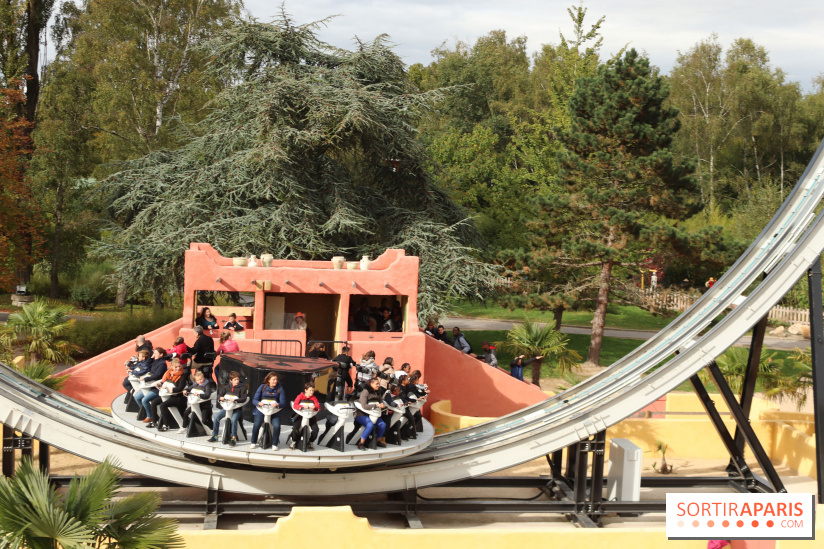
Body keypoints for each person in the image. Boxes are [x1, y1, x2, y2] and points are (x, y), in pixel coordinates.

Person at [207, 371, 248, 446]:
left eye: (238, 379)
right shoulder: (226, 388)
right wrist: (220, 398)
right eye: (235, 380)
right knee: (216, 417)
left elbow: (244, 398)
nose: (237, 381)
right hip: (227, 408)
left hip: (236, 409)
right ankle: (215, 435)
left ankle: (233, 437)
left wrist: (236, 400)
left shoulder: (242, 388)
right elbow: (219, 395)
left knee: (233, 419)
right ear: (231, 380)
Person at [251, 372, 287, 449]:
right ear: (268, 380)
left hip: (274, 411)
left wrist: (277, 404)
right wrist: (258, 403)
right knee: (256, 424)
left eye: (276, 379)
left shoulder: (280, 388)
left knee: (277, 426)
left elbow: (283, 403)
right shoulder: (262, 387)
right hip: (261, 410)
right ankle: (253, 442)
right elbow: (254, 400)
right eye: (273, 379)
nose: (275, 381)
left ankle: (274, 443)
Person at [152, 358, 188, 431]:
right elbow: (164, 382)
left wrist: (169, 389)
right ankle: (154, 421)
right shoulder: (169, 373)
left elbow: (180, 388)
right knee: (154, 402)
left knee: (163, 405)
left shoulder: (182, 376)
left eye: (179, 366)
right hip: (168, 395)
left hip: (178, 397)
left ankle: (166, 425)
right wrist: (159, 384)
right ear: (172, 367)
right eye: (176, 367)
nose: (178, 368)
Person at [137, 348, 168, 422]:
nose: (154, 355)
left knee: (145, 400)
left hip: (156, 386)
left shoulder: (162, 364)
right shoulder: (155, 361)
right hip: (149, 384)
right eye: (154, 353)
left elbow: (157, 375)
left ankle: (150, 416)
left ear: (161, 354)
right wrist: (151, 358)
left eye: (156, 353)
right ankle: (145, 412)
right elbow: (147, 366)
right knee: (137, 397)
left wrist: (145, 379)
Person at [354, 377, 387, 450]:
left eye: (379, 384)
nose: (378, 385)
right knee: (370, 425)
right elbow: (364, 406)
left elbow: (381, 401)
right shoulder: (366, 391)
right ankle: (361, 443)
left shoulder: (378, 392)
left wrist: (382, 405)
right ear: (371, 384)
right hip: (361, 414)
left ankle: (376, 441)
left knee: (382, 425)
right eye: (376, 384)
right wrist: (376, 405)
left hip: (373, 414)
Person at [290, 381, 320, 450]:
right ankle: (293, 441)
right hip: (300, 415)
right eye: (310, 390)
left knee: (316, 429)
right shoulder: (300, 396)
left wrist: (315, 407)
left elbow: (318, 407)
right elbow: (295, 405)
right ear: (305, 390)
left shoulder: (314, 398)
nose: (311, 392)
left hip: (310, 415)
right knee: (295, 428)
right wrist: (302, 406)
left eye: (313, 390)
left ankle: (311, 442)